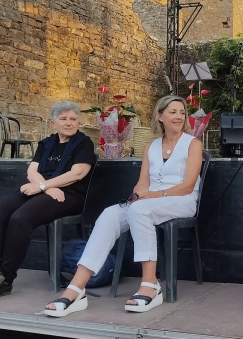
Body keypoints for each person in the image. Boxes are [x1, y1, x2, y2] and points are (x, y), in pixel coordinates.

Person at [43, 95, 203, 317]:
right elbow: (142, 182)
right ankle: (76, 288)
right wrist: (137, 194)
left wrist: (153, 195)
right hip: (151, 200)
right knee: (110, 214)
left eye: (182, 112)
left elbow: (187, 185)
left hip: (181, 200)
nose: (179, 116)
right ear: (160, 116)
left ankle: (150, 284)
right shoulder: (151, 147)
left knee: (140, 210)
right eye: (173, 112)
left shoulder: (193, 144)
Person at [0, 101, 96, 299]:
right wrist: (43, 187)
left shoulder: (83, 143)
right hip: (45, 188)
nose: (69, 123)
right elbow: (32, 171)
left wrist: (44, 186)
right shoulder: (47, 143)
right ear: (53, 122)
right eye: (63, 119)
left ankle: (5, 280)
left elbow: (77, 173)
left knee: (21, 218)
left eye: (73, 119)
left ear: (79, 123)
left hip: (69, 194)